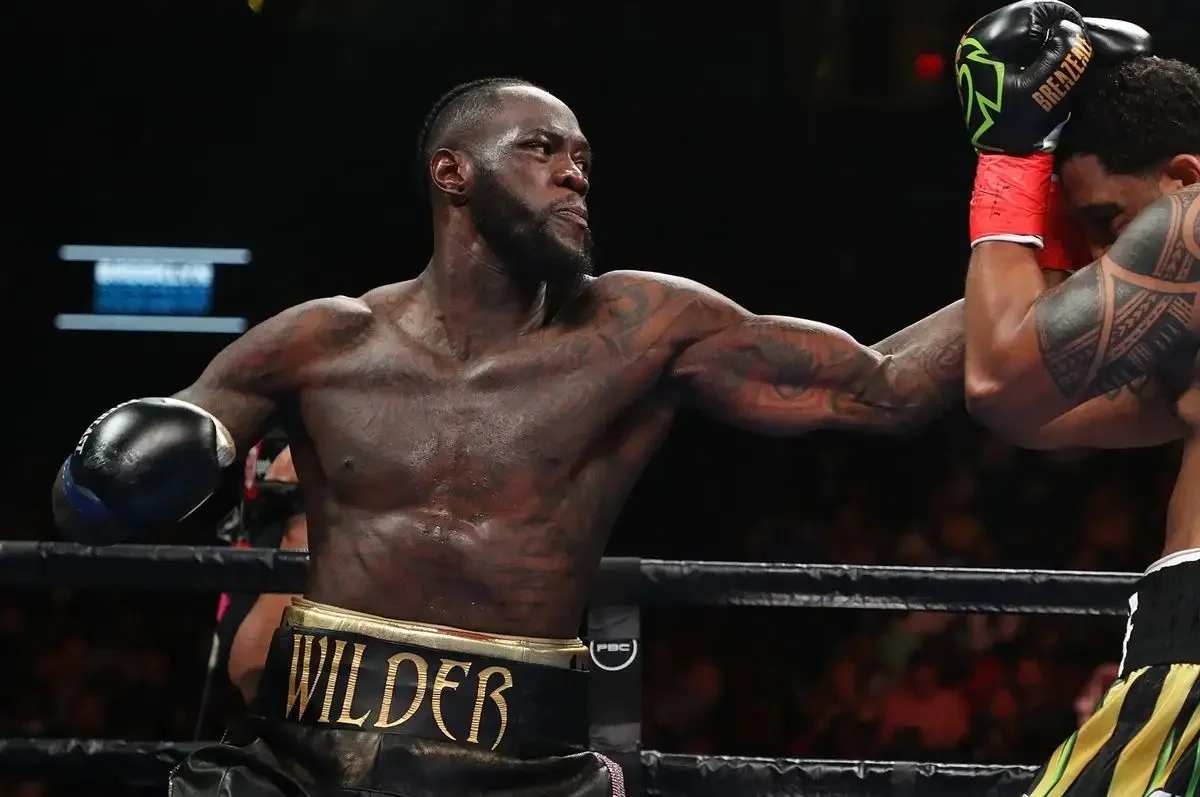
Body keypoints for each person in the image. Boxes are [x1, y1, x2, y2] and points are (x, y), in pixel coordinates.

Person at [52, 77, 969, 796]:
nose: (574, 172)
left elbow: (887, 389)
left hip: (519, 767)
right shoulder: (322, 341)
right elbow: (93, 497)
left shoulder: (640, 328)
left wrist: (1031, 223)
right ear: (452, 172)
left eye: (582, 157)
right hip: (299, 759)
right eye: (541, 148)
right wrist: (112, 479)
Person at [955, 2, 1200, 792]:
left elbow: (999, 384)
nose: (1101, 257)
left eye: (1107, 221)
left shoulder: (1192, 226)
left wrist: (1011, 157)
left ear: (1186, 179)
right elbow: (1041, 414)